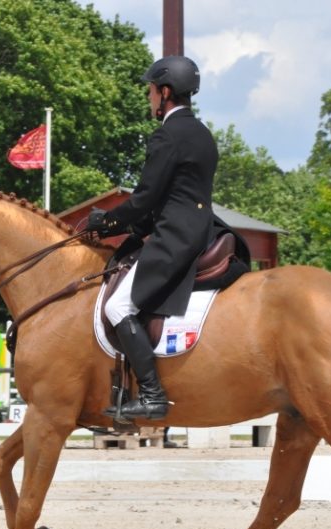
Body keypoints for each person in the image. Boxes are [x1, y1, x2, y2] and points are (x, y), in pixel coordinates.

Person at [86, 55, 219, 422]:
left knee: (117, 308)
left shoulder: (168, 134)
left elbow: (146, 198)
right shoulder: (202, 133)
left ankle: (152, 395)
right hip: (201, 228)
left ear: (164, 92)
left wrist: (106, 222)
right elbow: (168, 196)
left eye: (150, 91)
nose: (148, 98)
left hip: (175, 236)